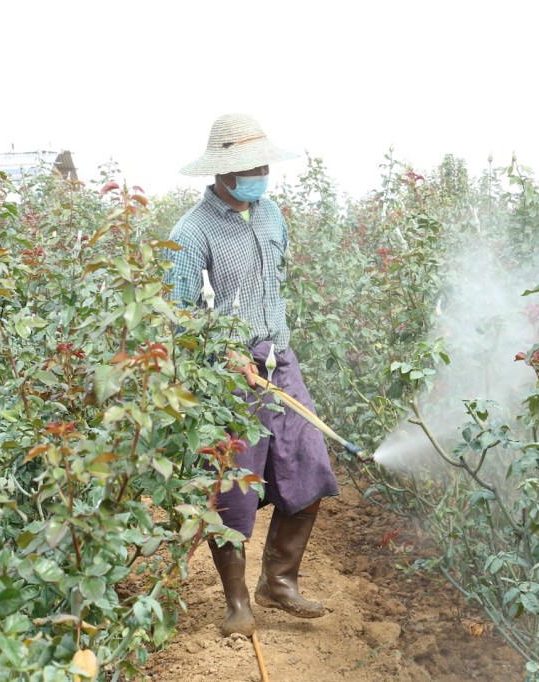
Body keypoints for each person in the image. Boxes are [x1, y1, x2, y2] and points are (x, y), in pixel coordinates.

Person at [165, 113, 340, 637]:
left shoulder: (271, 214)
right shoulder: (191, 232)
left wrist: (272, 344)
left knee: (309, 467)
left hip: (278, 361)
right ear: (222, 171)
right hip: (227, 376)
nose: (261, 174)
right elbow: (178, 313)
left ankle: (278, 581)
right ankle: (237, 602)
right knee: (233, 489)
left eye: (264, 165)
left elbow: (275, 284)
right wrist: (224, 353)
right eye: (250, 167)